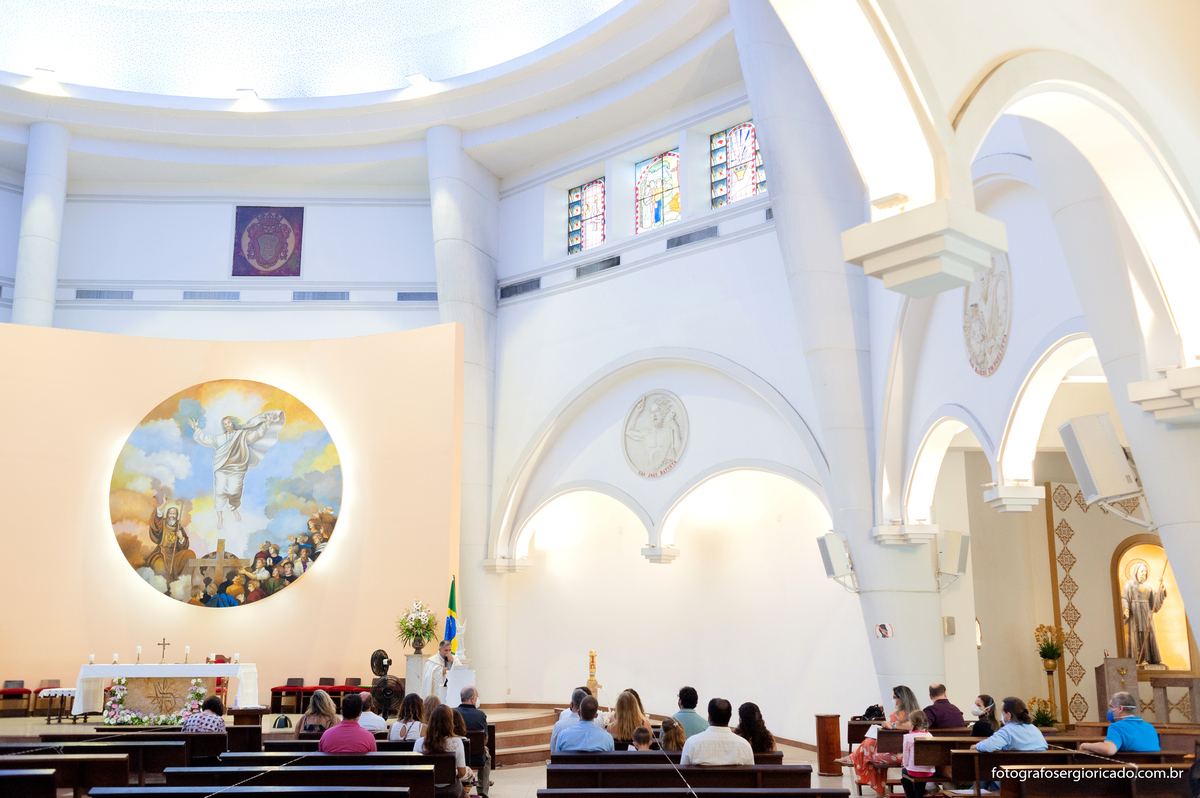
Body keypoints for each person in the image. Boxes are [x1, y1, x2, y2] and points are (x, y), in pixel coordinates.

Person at [189, 410, 285, 530]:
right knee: (220, 492)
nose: (227, 425)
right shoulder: (219, 438)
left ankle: (234, 509)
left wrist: (267, 423)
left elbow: (256, 435)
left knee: (233, 491)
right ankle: (220, 518)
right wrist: (196, 429)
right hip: (221, 468)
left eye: (228, 423)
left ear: (233, 423)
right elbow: (205, 439)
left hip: (237, 469)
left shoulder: (242, 435)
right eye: (225, 424)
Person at [835, 684, 920, 795]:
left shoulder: (897, 716)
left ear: (902, 699)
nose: (893, 700)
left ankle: (855, 759)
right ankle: (854, 758)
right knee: (870, 744)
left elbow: (910, 726)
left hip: (903, 756)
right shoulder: (918, 714)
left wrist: (892, 725)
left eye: (895, 697)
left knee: (871, 756)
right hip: (911, 754)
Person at [415, 705, 469, 797]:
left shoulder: (419, 742)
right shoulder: (457, 742)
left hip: (427, 787)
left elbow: (416, 770)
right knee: (461, 789)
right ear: (450, 723)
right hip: (450, 789)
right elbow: (461, 773)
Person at [680, 698, 754, 765]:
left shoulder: (692, 743)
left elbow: (682, 773)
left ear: (709, 716)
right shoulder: (744, 745)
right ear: (730, 716)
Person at [1081, 692, 1160, 754]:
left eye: (1111, 707)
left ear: (1120, 708)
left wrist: (1085, 745)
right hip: (1154, 769)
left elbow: (1109, 750)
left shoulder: (1117, 727)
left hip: (1129, 769)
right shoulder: (1150, 727)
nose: (1110, 711)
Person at [1123, 563, 1168, 665]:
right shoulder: (1129, 585)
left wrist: (1163, 587)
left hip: (1146, 613)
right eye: (1142, 571)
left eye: (1145, 571)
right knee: (1137, 633)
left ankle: (1150, 658)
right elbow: (1124, 598)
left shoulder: (1149, 586)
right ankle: (1138, 658)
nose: (1144, 573)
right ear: (1136, 572)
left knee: (1149, 633)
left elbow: (1156, 599)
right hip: (1135, 613)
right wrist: (1125, 608)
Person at [147, 495, 196, 582]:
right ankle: (165, 584)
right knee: (160, 567)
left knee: (190, 554)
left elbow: (185, 545)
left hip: (175, 554)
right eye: (170, 513)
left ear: (176, 516)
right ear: (167, 514)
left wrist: (181, 537)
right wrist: (164, 504)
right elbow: (156, 518)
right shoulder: (162, 524)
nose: (172, 516)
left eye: (174, 514)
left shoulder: (178, 527)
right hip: (162, 553)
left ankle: (181, 581)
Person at [456, 686, 492, 798]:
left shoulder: (453, 713)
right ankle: (482, 791)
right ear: (472, 698)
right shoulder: (480, 715)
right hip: (476, 757)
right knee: (487, 757)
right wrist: (481, 745)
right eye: (477, 696)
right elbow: (485, 738)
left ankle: (457, 786)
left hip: (455, 756)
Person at [900, 710, 934, 798]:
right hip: (928, 771)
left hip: (913, 771)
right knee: (921, 776)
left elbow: (906, 755)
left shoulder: (908, 737)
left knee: (904, 772)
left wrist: (905, 764)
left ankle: (910, 796)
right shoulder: (929, 735)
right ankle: (918, 795)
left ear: (912, 723)